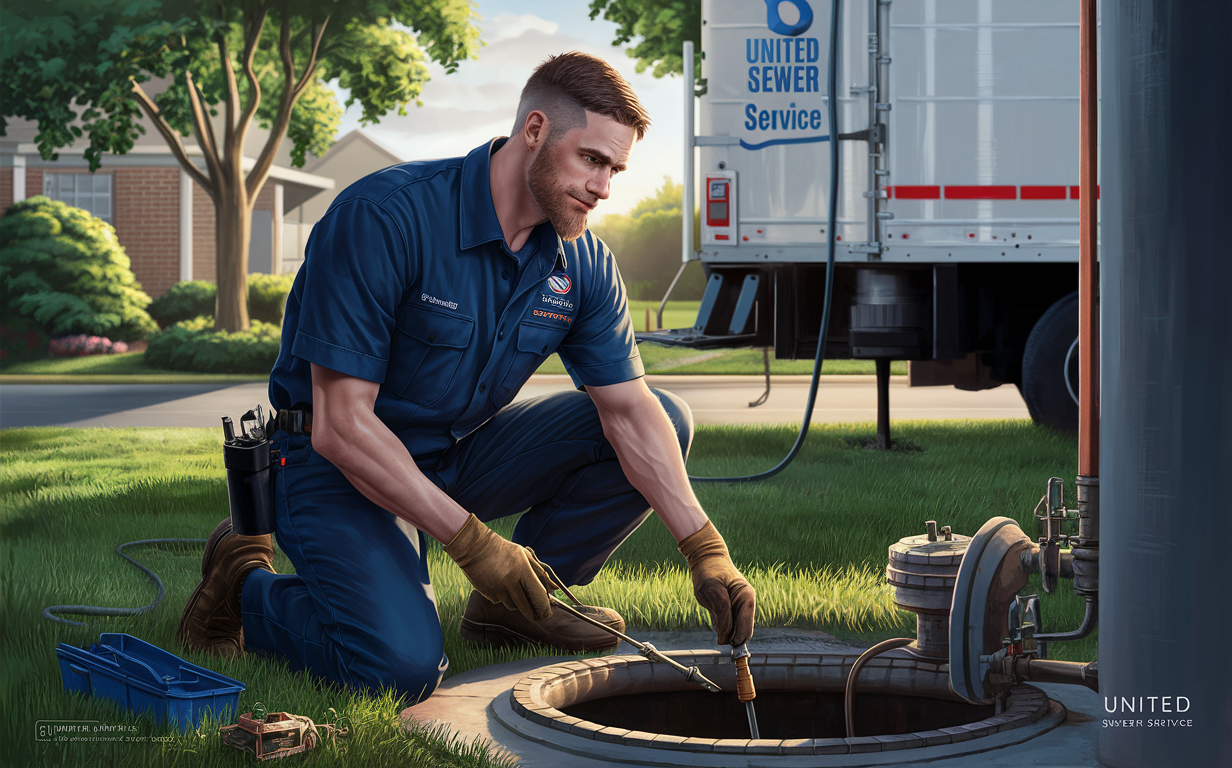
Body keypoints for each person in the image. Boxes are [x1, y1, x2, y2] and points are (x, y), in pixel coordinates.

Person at [178, 51, 755, 704]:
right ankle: (245, 585)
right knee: (399, 669)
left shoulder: (582, 261)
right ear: (534, 130)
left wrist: (705, 550)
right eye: (592, 159)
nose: (603, 188)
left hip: (449, 455)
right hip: (329, 463)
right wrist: (474, 542)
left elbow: (627, 411)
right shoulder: (386, 218)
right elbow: (342, 426)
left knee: (662, 418)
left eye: (615, 169)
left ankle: (512, 607)